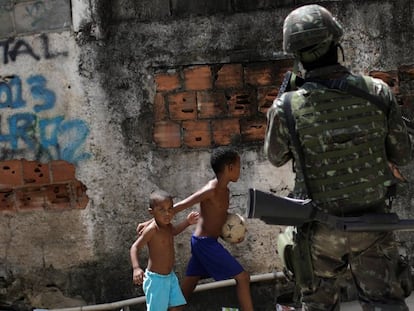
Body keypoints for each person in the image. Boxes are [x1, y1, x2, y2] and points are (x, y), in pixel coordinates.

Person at [264, 4, 412, 311]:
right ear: (336, 42)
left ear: (297, 55)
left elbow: (275, 157)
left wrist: (282, 106)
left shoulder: (287, 107)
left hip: (320, 232)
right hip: (372, 223)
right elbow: (403, 153)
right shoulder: (377, 92)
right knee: (384, 303)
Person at [137, 146, 254, 311]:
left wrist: (233, 234)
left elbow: (218, 218)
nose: (240, 171)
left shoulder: (225, 190)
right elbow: (178, 206)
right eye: (239, 166)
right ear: (230, 168)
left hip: (205, 242)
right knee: (243, 278)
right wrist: (150, 222)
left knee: (186, 291)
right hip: (204, 243)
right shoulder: (210, 190)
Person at [130, 189, 199, 311]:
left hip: (169, 277)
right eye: (162, 210)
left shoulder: (168, 226)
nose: (167, 213)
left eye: (170, 209)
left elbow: (174, 231)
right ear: (151, 212)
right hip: (156, 280)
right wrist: (136, 268)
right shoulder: (152, 230)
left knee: (177, 306)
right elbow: (135, 247)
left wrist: (187, 222)